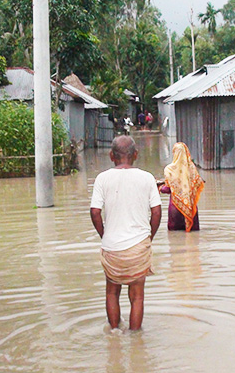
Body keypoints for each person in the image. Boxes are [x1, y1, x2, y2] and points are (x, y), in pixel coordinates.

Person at [90, 136, 162, 331]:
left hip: (111, 247)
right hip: (138, 247)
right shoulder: (147, 178)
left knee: (111, 293)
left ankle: (114, 333)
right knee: (137, 296)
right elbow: (156, 212)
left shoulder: (102, 178)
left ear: (111, 155)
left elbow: (95, 212)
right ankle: (135, 339)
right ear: (136, 155)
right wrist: (148, 238)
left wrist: (105, 235)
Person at [159, 142, 204, 232]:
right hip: (190, 208)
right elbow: (198, 183)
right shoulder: (192, 169)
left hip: (175, 207)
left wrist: (160, 187)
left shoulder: (169, 169)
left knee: (174, 236)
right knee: (193, 235)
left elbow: (168, 189)